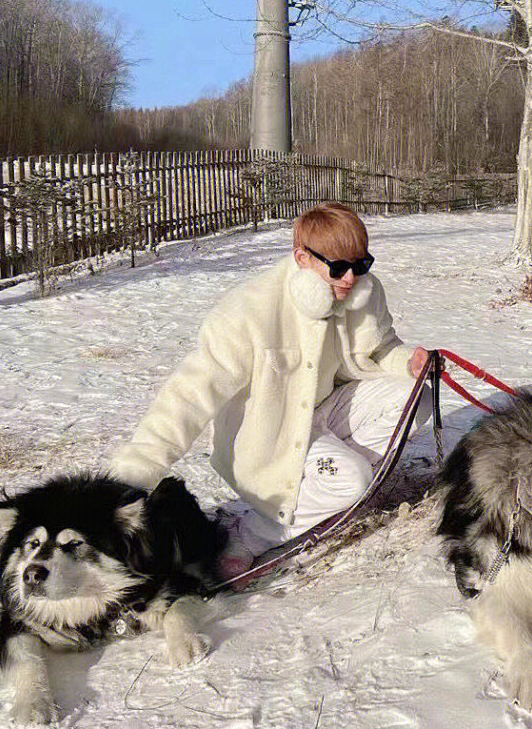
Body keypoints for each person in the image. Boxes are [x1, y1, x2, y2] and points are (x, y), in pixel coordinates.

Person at [109, 202, 431, 577]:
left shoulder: (363, 292)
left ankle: (327, 485)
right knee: (353, 481)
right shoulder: (248, 312)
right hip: (268, 436)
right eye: (339, 268)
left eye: (362, 266)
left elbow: (382, 348)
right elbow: (188, 395)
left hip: (326, 410)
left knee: (415, 397)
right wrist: (131, 475)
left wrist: (409, 362)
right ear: (302, 257)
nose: (351, 279)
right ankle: (256, 531)